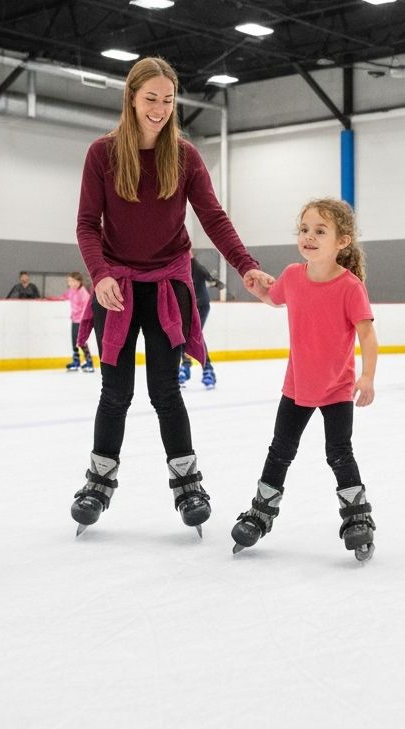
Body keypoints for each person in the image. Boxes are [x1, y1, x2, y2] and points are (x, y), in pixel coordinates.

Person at [72, 55, 272, 538]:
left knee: (166, 390)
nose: (160, 109)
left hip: (167, 285)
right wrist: (99, 275)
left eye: (166, 100)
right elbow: (86, 225)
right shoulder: (102, 154)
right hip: (115, 288)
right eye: (150, 99)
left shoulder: (184, 156)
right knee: (115, 392)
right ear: (131, 98)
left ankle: (188, 484)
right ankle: (98, 481)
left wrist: (246, 266)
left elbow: (213, 217)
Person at [232, 198, 378, 562]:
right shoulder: (294, 276)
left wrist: (367, 376)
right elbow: (275, 296)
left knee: (339, 454)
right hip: (296, 387)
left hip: (336, 389)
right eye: (305, 230)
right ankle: (260, 513)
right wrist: (259, 287)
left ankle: (358, 518)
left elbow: (368, 335)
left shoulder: (349, 287)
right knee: (280, 451)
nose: (309, 237)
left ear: (342, 242)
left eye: (320, 231)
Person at [178, 251, 221, 388]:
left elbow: (210, 279)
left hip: (200, 305)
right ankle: (195, 368)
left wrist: (215, 282)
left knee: (193, 336)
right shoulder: (180, 267)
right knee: (186, 336)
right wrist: (215, 283)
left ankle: (204, 369)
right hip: (187, 306)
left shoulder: (196, 266)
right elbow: (212, 281)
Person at [57, 271, 94, 372]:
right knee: (74, 342)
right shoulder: (71, 291)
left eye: (73, 281)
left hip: (81, 321)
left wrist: (83, 321)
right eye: (69, 281)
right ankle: (76, 361)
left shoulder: (83, 293)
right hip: (74, 320)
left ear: (79, 281)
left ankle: (89, 362)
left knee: (81, 342)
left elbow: (87, 308)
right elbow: (63, 297)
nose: (71, 283)